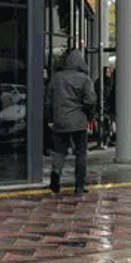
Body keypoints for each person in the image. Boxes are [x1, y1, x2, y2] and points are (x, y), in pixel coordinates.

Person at [45, 49, 97, 195]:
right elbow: (91, 100)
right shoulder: (84, 79)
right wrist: (88, 113)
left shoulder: (56, 78)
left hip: (59, 121)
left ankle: (55, 178)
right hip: (78, 122)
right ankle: (79, 185)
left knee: (59, 152)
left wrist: (51, 118)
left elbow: (48, 101)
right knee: (81, 154)